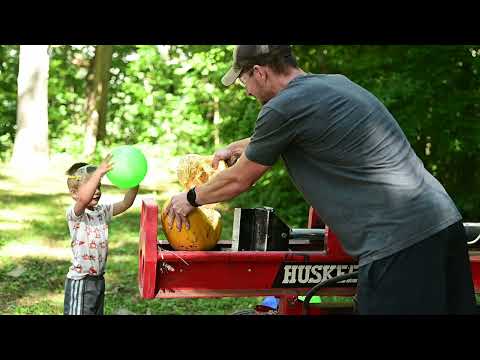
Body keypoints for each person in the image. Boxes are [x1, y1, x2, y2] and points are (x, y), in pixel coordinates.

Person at [164, 45, 477, 314]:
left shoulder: (281, 108)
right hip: (442, 224)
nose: (245, 91)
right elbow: (292, 133)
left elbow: (239, 180)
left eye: (244, 80)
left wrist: (190, 198)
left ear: (259, 73)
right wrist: (238, 147)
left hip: (398, 244)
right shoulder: (332, 85)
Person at [64, 155, 139, 315]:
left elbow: (126, 203)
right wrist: (97, 173)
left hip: (98, 279)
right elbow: (84, 199)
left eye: (99, 186)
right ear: (74, 193)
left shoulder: (101, 211)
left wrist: (135, 180)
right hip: (81, 280)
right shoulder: (75, 214)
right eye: (92, 187)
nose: (97, 191)